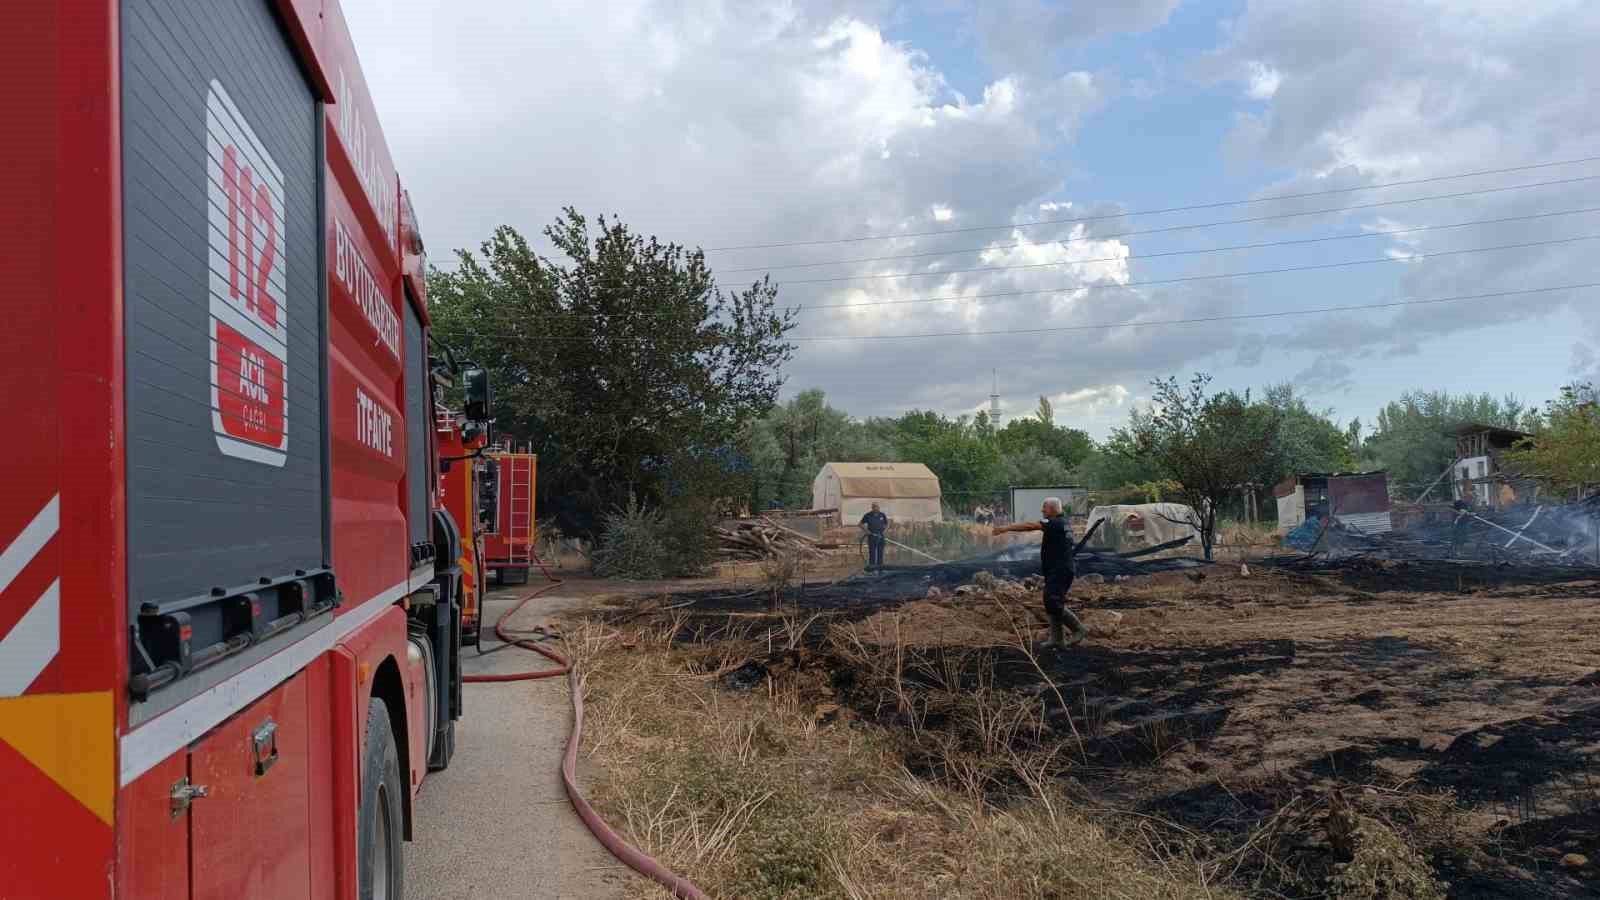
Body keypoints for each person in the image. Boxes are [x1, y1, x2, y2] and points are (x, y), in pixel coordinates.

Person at [992, 496, 1089, 650]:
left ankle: (1079, 629)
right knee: (1051, 601)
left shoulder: (1054, 523)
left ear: (1052, 509)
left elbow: (1030, 525)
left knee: (1054, 601)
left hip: (1060, 570)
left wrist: (1005, 528)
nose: (1042, 510)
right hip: (1059, 569)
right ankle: (1057, 639)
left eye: (1044, 507)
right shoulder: (1063, 523)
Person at [859, 502, 889, 571]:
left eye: (878, 507)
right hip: (872, 537)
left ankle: (880, 570)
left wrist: (884, 531)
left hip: (880, 537)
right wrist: (867, 531)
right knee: (872, 555)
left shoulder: (882, 515)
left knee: (880, 555)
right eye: (875, 507)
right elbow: (860, 524)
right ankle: (872, 571)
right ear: (872, 508)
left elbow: (887, 524)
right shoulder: (868, 515)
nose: (877, 508)